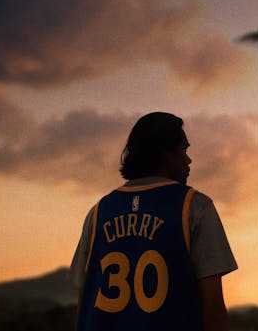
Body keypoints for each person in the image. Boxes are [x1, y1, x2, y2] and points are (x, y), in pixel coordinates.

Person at [70, 111, 237, 330]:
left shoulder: (98, 212)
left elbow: (84, 305)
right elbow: (213, 312)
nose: (188, 159)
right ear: (166, 153)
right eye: (184, 149)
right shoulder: (195, 206)